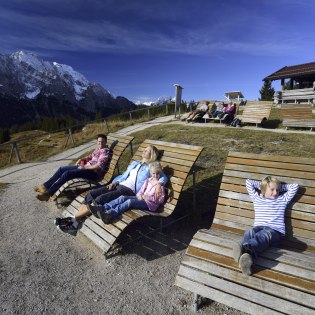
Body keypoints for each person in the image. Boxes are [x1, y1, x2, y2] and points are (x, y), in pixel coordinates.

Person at [54, 145, 168, 235]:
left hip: (129, 190)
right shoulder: (135, 163)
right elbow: (124, 175)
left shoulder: (151, 166)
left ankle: (72, 221)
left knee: (100, 199)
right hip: (119, 184)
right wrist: (114, 182)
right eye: (144, 149)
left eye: (147, 150)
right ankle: (74, 222)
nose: (143, 151)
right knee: (91, 194)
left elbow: (163, 176)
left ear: (151, 155)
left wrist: (159, 184)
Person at [233, 176, 299, 276]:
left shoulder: (282, 199)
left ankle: (244, 250)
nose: (276, 192)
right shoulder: (257, 198)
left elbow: (295, 186)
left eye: (277, 190)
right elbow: (248, 182)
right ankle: (246, 259)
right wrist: (263, 185)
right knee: (249, 231)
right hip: (258, 228)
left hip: (274, 232)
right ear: (264, 189)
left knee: (265, 234)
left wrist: (279, 186)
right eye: (272, 189)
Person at [34, 134, 112, 202]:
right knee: (61, 169)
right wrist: (82, 159)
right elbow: (90, 157)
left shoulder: (105, 151)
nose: (100, 143)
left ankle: (48, 193)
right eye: (99, 141)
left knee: (67, 174)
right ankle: (45, 186)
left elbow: (99, 166)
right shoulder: (98, 149)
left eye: (103, 142)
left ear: (106, 142)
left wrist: (85, 168)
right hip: (86, 168)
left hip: (93, 173)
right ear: (97, 142)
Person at [85, 161, 166, 224]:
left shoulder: (160, 186)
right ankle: (103, 208)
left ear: (160, 173)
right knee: (122, 197)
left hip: (150, 204)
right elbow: (141, 191)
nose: (155, 175)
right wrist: (141, 195)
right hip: (141, 198)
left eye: (157, 173)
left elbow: (160, 200)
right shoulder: (148, 180)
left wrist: (147, 197)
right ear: (150, 173)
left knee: (129, 202)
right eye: (153, 173)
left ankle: (110, 214)